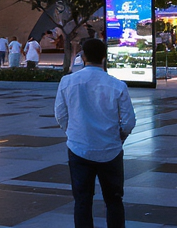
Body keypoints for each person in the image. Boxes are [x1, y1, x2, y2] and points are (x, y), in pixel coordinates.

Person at [55, 38, 136, 228]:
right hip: (110, 149)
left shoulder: (67, 82)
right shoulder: (117, 85)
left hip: (78, 148)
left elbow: (60, 115)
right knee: (114, 200)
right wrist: (120, 137)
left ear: (83, 57)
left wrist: (74, 133)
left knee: (82, 200)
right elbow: (129, 122)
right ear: (104, 58)